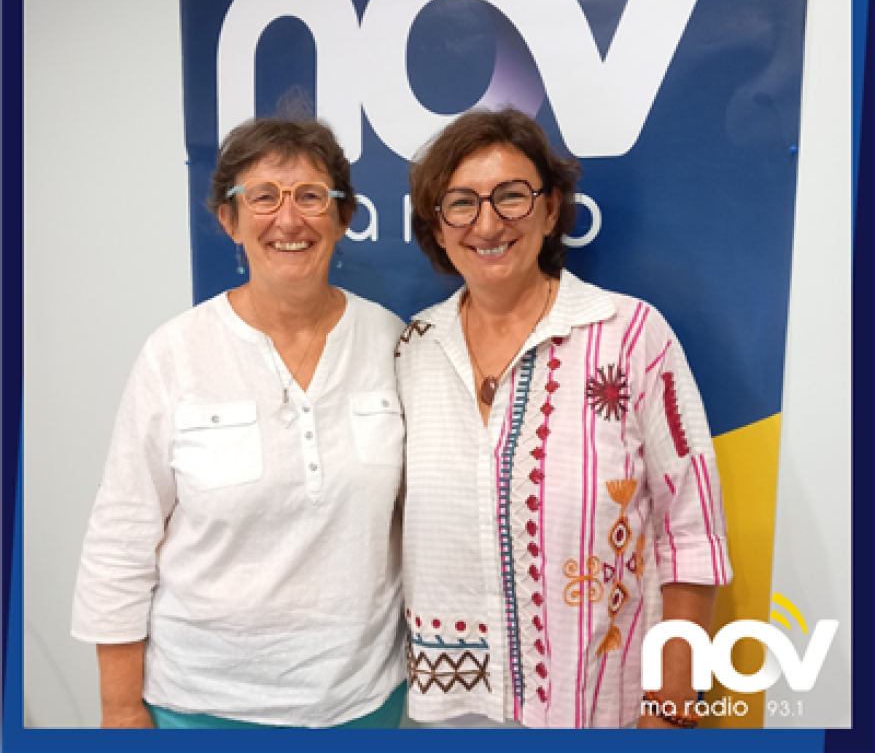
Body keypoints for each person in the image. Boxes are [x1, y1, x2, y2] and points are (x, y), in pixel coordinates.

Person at [396, 107, 732, 729]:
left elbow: (691, 531)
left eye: (511, 196)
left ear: (550, 209)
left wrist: (672, 706)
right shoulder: (412, 349)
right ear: (437, 228)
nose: (488, 223)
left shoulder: (630, 336)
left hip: (600, 709)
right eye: (461, 203)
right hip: (447, 710)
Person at [72, 117, 407, 729]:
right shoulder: (176, 352)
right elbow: (121, 536)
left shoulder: (391, 341)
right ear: (229, 220)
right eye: (263, 197)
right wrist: (119, 707)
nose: (289, 219)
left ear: (342, 217)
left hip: (362, 699)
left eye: (310, 196)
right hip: (201, 706)